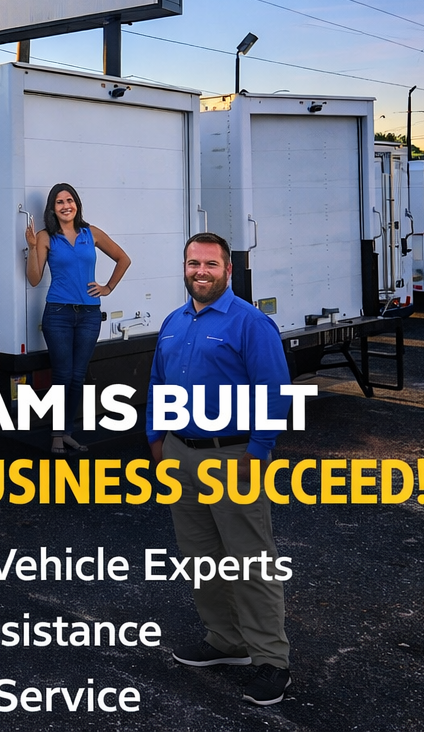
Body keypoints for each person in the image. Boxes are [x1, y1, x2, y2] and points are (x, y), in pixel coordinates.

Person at [146, 231, 294, 706]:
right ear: (184, 267)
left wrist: (258, 452)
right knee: (200, 558)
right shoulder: (173, 322)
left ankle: (270, 659)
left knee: (250, 561)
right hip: (181, 456)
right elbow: (157, 383)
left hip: (232, 456)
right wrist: (156, 440)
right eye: (193, 264)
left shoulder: (250, 323)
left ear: (228, 270)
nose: (200, 272)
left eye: (210, 265)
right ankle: (225, 642)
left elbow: (274, 390)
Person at [25, 183, 130, 454]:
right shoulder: (46, 237)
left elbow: (123, 259)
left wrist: (107, 287)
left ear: (77, 204)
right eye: (59, 202)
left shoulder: (90, 233)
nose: (65, 205)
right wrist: (32, 248)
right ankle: (57, 435)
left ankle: (68, 432)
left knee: (77, 377)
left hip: (88, 315)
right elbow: (34, 279)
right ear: (53, 208)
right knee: (62, 375)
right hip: (58, 314)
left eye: (69, 200)